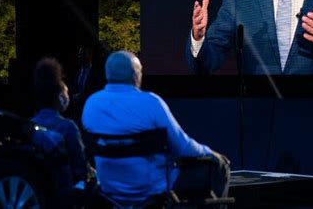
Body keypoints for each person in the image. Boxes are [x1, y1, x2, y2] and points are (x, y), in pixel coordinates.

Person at [81, 51, 230, 204]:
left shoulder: (91, 104)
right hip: (152, 191)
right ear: (136, 75)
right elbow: (183, 148)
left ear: (108, 74)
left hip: (110, 192)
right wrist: (209, 152)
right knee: (220, 165)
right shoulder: (151, 103)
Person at [31, 57, 92, 189]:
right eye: (66, 92)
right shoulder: (68, 127)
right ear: (60, 97)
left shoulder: (30, 125)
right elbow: (80, 164)